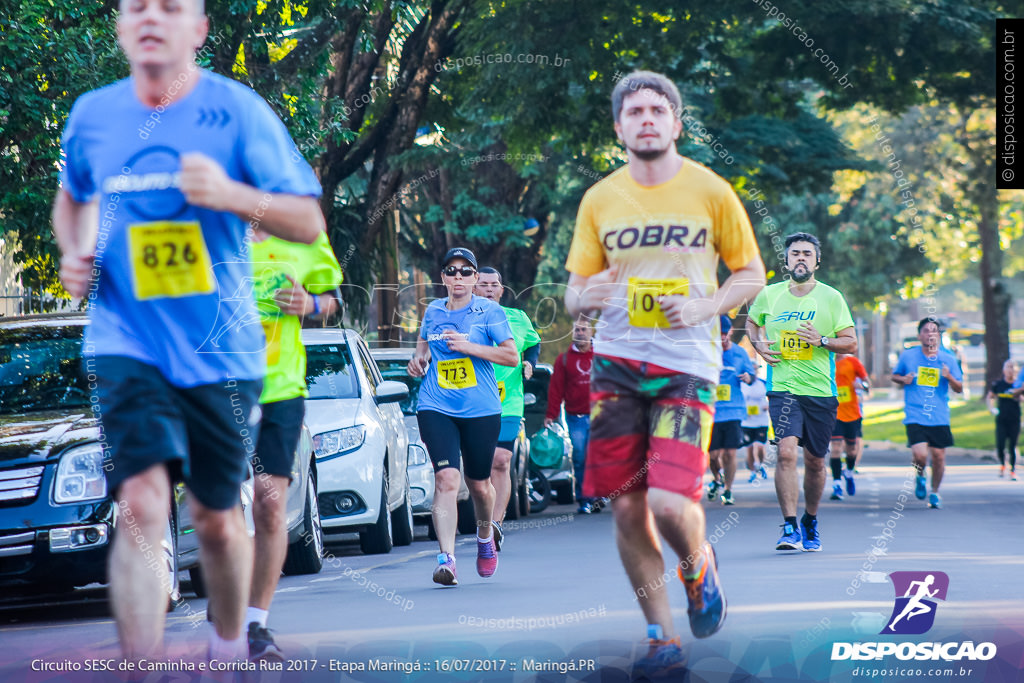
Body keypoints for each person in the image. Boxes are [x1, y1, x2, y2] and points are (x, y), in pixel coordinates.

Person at [52, 0, 324, 660]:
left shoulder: (238, 112)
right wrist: (74, 252)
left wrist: (233, 195)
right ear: (119, 27)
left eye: (170, 7)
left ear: (198, 30)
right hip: (126, 342)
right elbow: (73, 201)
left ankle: (228, 645)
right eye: (136, 7)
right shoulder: (94, 115)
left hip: (220, 353)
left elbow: (308, 221)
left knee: (216, 520)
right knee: (142, 507)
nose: (151, 17)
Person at [564, 70, 765, 676]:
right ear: (619, 126)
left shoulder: (711, 191)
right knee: (627, 508)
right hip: (617, 368)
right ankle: (661, 636)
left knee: (673, 505)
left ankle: (698, 564)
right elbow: (573, 295)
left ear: (676, 124)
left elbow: (751, 274)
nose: (646, 119)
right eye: (635, 111)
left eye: (658, 110)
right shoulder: (599, 199)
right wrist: (587, 296)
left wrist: (706, 306)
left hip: (686, 367)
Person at [244, 230, 342, 660]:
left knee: (269, 503)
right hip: (216, 386)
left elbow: (332, 300)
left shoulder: (300, 231)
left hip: (281, 390)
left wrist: (311, 304)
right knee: (219, 508)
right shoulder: (209, 224)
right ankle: (227, 590)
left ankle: (254, 623)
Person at [408, 248, 518, 585]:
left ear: (474, 279)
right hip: (436, 404)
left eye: (466, 272)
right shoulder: (433, 311)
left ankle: (485, 539)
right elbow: (422, 349)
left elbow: (511, 356)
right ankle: (446, 559)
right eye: (451, 271)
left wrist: (469, 347)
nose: (459, 277)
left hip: (481, 408)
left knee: (480, 486)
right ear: (442, 277)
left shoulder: (490, 312)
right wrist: (418, 362)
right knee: (446, 480)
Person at [746, 232, 856, 553]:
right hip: (782, 388)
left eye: (807, 254)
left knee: (816, 463)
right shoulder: (770, 295)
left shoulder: (832, 298)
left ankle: (810, 520)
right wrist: (757, 344)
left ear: (817, 261)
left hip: (820, 390)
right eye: (795, 254)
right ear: (787, 259)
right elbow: (752, 323)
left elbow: (851, 342)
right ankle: (790, 526)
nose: (801, 259)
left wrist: (821, 340)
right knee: (785, 453)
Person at [473, 266, 541, 548]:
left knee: (501, 461)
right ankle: (484, 522)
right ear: (474, 288)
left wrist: (530, 363)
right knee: (480, 471)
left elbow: (534, 343)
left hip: (509, 401)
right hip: (474, 401)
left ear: (502, 290)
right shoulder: (465, 318)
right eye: (484, 284)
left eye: (494, 284)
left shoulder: (518, 318)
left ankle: (497, 524)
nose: (489, 289)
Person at [891, 317, 964, 509]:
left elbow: (959, 388)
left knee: (939, 456)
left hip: (939, 415)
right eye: (926, 330)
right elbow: (894, 375)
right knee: (920, 455)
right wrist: (903, 379)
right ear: (919, 335)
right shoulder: (908, 356)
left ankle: (935, 492)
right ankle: (920, 474)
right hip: (915, 413)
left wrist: (949, 377)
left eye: (934, 331)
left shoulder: (948, 358)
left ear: (939, 335)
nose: (930, 334)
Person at [545, 317, 596, 513]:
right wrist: (551, 413)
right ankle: (584, 499)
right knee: (581, 456)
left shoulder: (600, 357)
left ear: (591, 332)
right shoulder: (564, 359)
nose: (580, 333)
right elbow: (556, 389)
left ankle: (597, 494)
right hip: (577, 417)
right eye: (577, 330)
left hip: (601, 416)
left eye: (584, 330)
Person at [707, 315, 757, 506]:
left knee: (730, 454)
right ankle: (717, 478)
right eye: (716, 334)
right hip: (712, 411)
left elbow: (751, 376)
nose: (721, 338)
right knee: (712, 456)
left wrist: (747, 377)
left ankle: (728, 490)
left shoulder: (740, 353)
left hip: (734, 411)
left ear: (730, 332)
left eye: (724, 334)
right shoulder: (709, 352)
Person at [829, 353, 870, 500]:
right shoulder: (825, 361)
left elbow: (867, 383)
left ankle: (849, 472)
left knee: (852, 450)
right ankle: (837, 484)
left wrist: (862, 385)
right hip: (834, 413)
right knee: (836, 448)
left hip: (852, 413)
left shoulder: (852, 362)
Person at [989, 360, 1020, 480]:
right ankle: (1002, 464)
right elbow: (990, 397)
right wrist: (991, 408)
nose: (1010, 370)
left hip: (1014, 420)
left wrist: (1019, 395)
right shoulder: (998, 384)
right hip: (1001, 420)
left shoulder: (1018, 385)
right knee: (1000, 445)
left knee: (1012, 446)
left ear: (1016, 370)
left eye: (1012, 367)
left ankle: (1012, 470)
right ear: (1003, 370)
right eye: (1008, 367)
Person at [741, 364, 770, 483]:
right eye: (751, 369)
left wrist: (767, 405)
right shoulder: (741, 385)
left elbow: (772, 398)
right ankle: (753, 471)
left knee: (759, 446)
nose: (754, 371)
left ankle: (760, 464)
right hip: (746, 422)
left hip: (761, 420)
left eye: (755, 369)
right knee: (749, 448)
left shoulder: (763, 383)